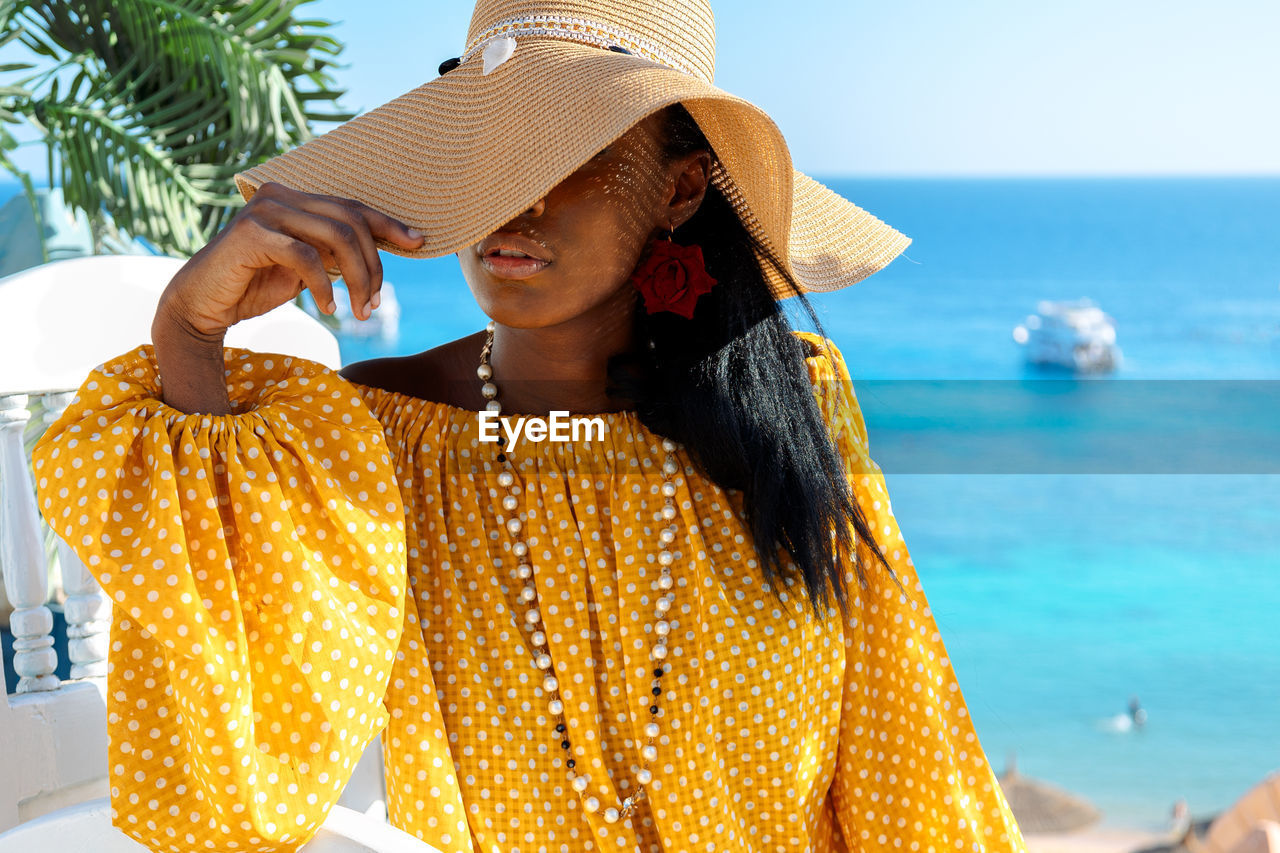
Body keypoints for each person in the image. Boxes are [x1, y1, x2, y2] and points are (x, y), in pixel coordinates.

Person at [32, 1, 1026, 851]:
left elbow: (902, 739)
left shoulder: (784, 404)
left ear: (680, 188)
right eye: (493, 154)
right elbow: (221, 713)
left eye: (575, 154)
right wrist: (188, 330)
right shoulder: (372, 439)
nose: (516, 200)